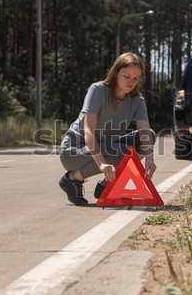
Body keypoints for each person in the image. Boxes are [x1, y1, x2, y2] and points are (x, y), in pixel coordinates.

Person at [59, 52, 157, 205]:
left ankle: (106, 184)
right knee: (123, 151)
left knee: (149, 136)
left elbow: (145, 133)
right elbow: (89, 132)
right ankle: (73, 178)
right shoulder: (97, 90)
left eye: (136, 78)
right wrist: (102, 165)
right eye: (126, 76)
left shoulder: (137, 101)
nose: (131, 82)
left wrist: (150, 160)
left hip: (106, 146)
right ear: (116, 72)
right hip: (74, 151)